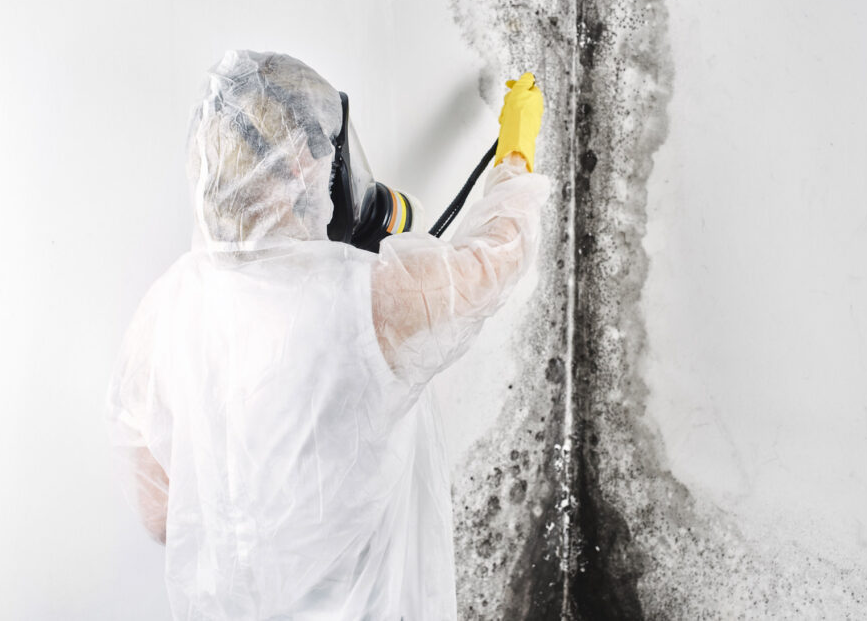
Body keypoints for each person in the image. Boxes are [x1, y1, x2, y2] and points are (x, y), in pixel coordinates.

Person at [105, 50, 548, 620]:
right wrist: (516, 152)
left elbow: (158, 513)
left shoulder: (165, 307)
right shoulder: (367, 300)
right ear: (298, 166)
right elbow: (493, 261)